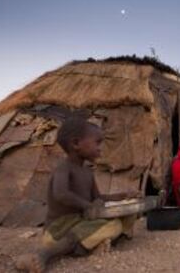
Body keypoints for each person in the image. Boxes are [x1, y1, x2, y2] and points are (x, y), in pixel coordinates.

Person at [15, 117, 140, 272]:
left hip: (79, 222)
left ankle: (84, 245)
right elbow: (61, 194)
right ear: (76, 144)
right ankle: (44, 254)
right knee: (111, 226)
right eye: (97, 142)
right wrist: (88, 206)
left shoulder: (87, 171)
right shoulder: (64, 168)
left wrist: (124, 195)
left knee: (122, 218)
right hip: (58, 229)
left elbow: (98, 198)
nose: (100, 148)